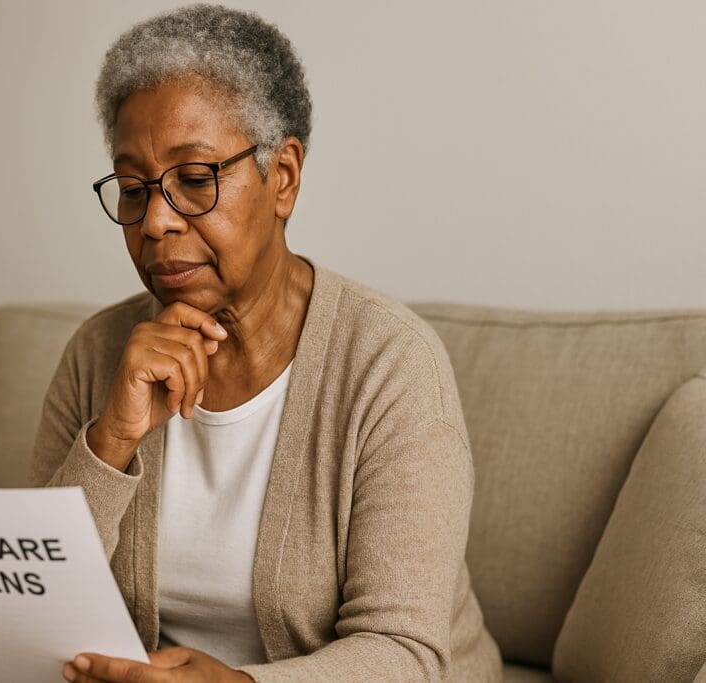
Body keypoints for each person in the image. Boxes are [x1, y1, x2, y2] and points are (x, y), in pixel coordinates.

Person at [26, 4, 503, 681]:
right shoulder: (99, 351)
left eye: (193, 180)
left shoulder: (389, 364)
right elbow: (31, 610)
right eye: (133, 189)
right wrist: (111, 440)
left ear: (282, 177)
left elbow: (404, 651)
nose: (155, 220)